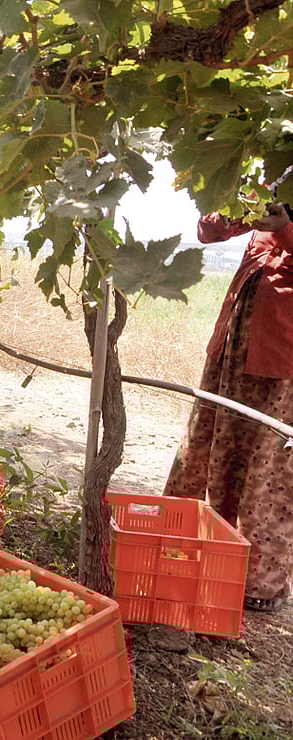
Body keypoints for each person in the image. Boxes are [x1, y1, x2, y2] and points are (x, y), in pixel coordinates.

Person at [164, 169, 293, 612]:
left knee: (267, 464)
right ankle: (188, 547)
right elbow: (209, 231)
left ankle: (256, 581)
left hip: (282, 364)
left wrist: (287, 230)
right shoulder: (275, 175)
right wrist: (246, 198)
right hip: (233, 349)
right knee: (208, 446)